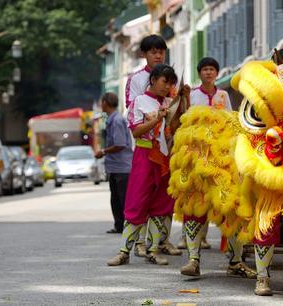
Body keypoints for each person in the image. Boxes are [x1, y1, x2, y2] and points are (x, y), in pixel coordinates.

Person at [178, 57, 256, 279]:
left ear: (217, 72)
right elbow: (183, 122)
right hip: (196, 157)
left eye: (212, 69)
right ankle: (193, 260)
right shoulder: (191, 95)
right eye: (204, 69)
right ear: (199, 73)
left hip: (223, 159)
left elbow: (232, 122)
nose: (209, 73)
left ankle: (236, 261)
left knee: (233, 205)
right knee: (195, 206)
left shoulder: (223, 96)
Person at [108, 64, 182, 266]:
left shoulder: (171, 102)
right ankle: (124, 252)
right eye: (164, 81)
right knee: (136, 202)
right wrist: (157, 119)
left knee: (161, 205)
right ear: (153, 80)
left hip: (166, 157)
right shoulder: (139, 101)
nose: (167, 86)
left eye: (170, 83)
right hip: (145, 154)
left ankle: (153, 250)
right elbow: (136, 132)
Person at [125, 34, 181, 257]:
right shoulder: (136, 80)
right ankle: (139, 242)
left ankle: (161, 240)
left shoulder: (171, 79)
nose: (158, 55)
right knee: (142, 194)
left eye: (161, 51)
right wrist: (156, 117)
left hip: (167, 144)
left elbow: (175, 108)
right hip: (147, 144)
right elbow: (134, 109)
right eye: (153, 51)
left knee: (165, 194)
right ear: (144, 54)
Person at [95, 93, 133, 234]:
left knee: (122, 199)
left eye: (101, 102)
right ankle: (119, 225)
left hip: (122, 167)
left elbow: (120, 144)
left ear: (105, 103)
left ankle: (127, 226)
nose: (100, 105)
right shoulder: (111, 120)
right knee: (116, 198)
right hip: (115, 166)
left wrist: (103, 152)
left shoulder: (116, 120)